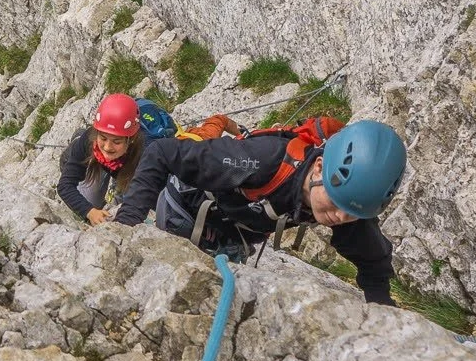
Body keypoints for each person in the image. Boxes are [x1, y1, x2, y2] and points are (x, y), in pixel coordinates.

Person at [112, 119, 406, 305]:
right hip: (187, 211)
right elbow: (163, 152)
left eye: (351, 214)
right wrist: (126, 226)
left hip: (234, 235)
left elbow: (370, 254)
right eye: (335, 203)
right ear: (319, 167)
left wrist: (380, 303)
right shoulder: (257, 161)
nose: (339, 217)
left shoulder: (345, 197)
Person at [57, 93, 145, 225]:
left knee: (128, 196)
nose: (108, 146)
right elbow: (65, 185)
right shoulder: (90, 139)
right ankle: (78, 141)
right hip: (101, 162)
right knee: (88, 200)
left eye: (117, 141)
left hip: (129, 166)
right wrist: (89, 211)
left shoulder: (146, 153)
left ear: (130, 139)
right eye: (103, 138)